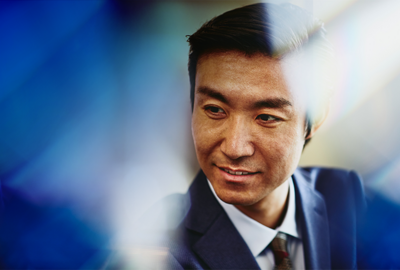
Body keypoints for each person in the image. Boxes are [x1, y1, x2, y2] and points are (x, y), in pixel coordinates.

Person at [135, 3, 367, 270]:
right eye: (214, 110)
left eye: (266, 117)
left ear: (315, 119)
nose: (234, 148)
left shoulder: (346, 195)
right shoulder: (156, 248)